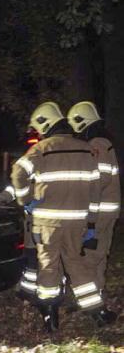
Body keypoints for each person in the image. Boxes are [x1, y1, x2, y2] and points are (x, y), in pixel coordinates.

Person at [9, 102, 104, 332]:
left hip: (47, 222)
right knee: (76, 264)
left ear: (45, 124)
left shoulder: (42, 148)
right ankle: (96, 312)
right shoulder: (86, 150)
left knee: (48, 266)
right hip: (77, 222)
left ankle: (50, 316)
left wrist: (26, 200)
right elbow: (95, 190)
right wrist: (90, 222)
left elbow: (18, 172)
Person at [68, 101, 119, 326]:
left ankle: (93, 307)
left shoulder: (97, 144)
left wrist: (88, 217)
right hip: (106, 214)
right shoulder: (105, 142)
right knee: (97, 258)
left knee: (87, 261)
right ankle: (91, 300)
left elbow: (97, 181)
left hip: (97, 215)